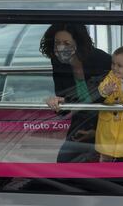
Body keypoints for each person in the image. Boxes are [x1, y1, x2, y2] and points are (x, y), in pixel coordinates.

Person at [40, 24, 111, 163]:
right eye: (57, 43)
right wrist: (56, 102)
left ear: (79, 43)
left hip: (110, 123)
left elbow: (116, 98)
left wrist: (97, 132)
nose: (61, 47)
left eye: (66, 43)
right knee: (64, 161)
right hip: (81, 123)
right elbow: (64, 108)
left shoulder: (102, 60)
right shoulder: (59, 62)